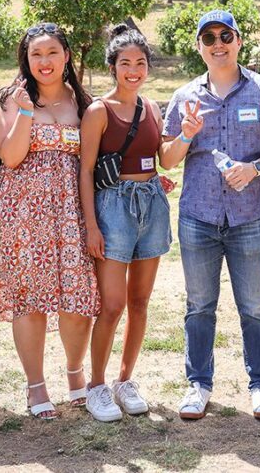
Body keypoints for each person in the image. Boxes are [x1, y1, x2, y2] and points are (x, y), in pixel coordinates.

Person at [161, 9, 260, 420]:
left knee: (254, 306)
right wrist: (185, 133)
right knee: (199, 305)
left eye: (225, 35)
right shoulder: (185, 96)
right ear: (199, 47)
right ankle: (198, 385)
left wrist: (254, 168)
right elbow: (166, 159)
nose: (218, 43)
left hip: (248, 216)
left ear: (238, 41)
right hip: (198, 216)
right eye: (209, 38)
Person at [0, 22, 99, 420]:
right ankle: (35, 385)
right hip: (21, 212)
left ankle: (75, 373)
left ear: (66, 55)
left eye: (52, 52)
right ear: (26, 59)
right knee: (30, 301)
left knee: (77, 299)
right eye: (36, 54)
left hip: (72, 211)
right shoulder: (11, 99)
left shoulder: (84, 102)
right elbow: (10, 156)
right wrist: (28, 111)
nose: (45, 61)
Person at [78, 25, 172, 422]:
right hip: (112, 208)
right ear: (113, 67)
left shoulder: (151, 107)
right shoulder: (98, 111)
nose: (133, 70)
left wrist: (184, 135)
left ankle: (125, 380)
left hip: (152, 204)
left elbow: (163, 156)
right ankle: (96, 386)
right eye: (125, 63)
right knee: (112, 305)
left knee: (140, 302)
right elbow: (84, 172)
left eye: (140, 63)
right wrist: (92, 227)